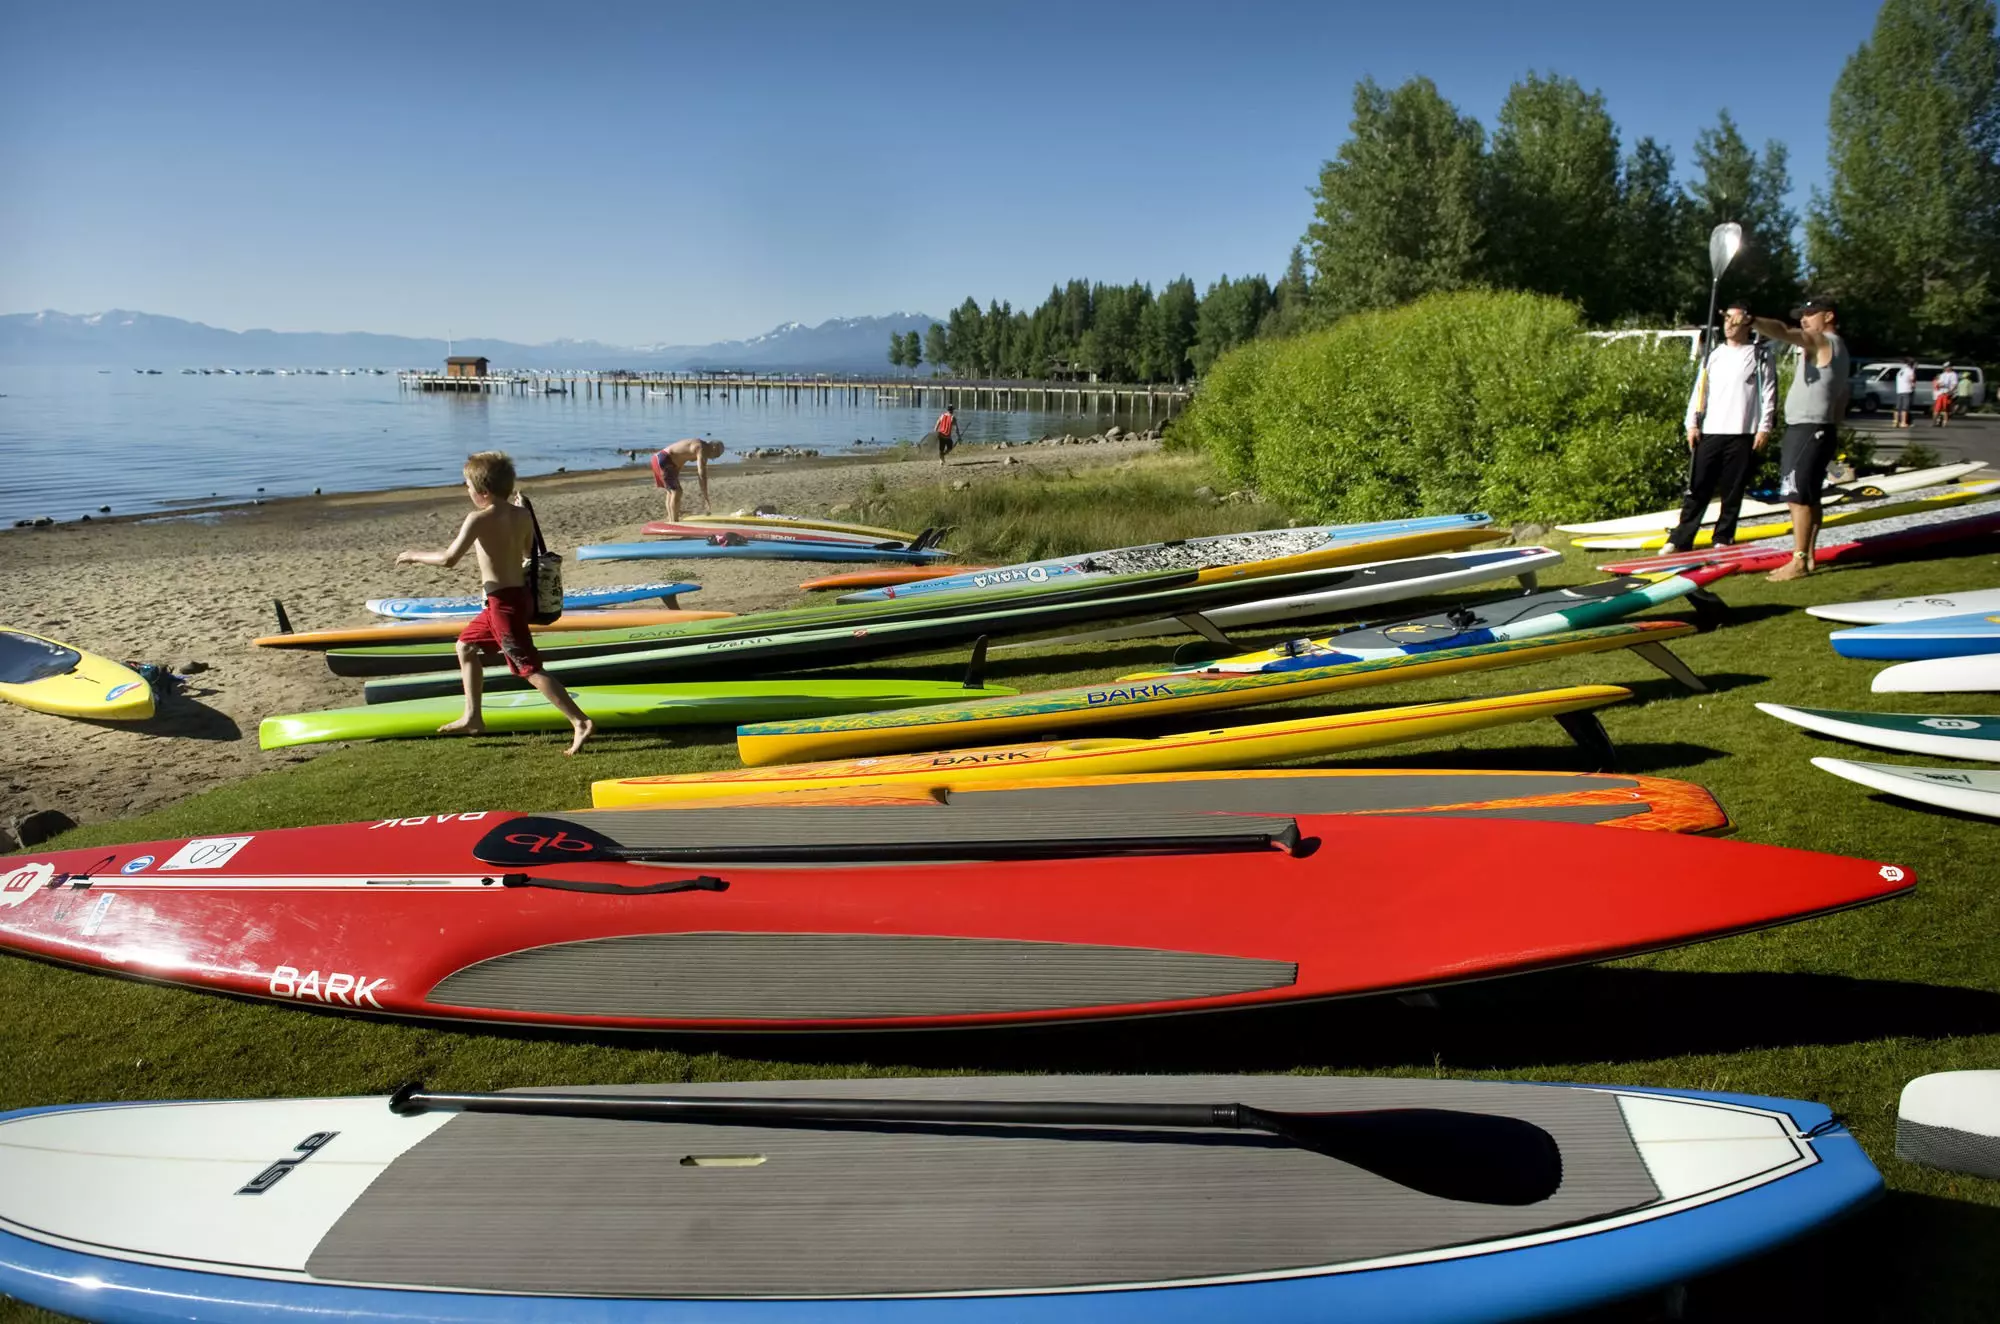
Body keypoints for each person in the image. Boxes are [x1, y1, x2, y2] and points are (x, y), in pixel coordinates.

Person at [396, 451, 593, 755]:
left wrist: (413, 555)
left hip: (504, 606)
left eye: (467, 486)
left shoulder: (478, 519)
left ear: (483, 492)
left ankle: (579, 721)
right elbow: (529, 552)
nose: (467, 491)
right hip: (513, 600)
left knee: (528, 668)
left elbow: (449, 559)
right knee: (465, 646)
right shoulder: (522, 514)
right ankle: (473, 717)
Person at [1750, 298, 1850, 582]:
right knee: (1810, 495)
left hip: (1808, 428)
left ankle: (1798, 561)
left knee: (1797, 498)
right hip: (1819, 428)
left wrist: (1752, 320)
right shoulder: (1839, 346)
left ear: (1829, 316)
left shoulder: (1822, 340)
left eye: (1810, 314)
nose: (1804, 319)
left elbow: (1783, 331)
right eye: (1802, 314)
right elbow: (1843, 394)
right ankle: (1808, 556)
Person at [1668, 300, 1775, 553]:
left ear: (1747, 323)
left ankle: (1723, 537)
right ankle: (1680, 538)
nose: (1729, 324)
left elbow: (1768, 394)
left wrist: (1765, 427)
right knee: (1698, 487)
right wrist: (1691, 423)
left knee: (1732, 491)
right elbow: (1700, 390)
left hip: (1742, 432)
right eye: (1726, 318)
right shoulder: (1714, 355)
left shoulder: (1760, 355)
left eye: (1735, 319)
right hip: (1712, 430)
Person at [651, 437, 724, 521]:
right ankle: (674, 522)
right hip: (663, 459)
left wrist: (705, 495)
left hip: (661, 460)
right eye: (715, 455)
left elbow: (682, 458)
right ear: (713, 448)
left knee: (671, 492)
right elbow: (701, 474)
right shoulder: (701, 447)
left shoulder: (703, 449)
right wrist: (706, 497)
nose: (713, 458)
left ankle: (671, 519)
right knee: (677, 492)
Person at [1895, 358, 1917, 428]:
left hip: (1899, 390)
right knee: (1905, 407)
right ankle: (1903, 422)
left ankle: (1896, 421)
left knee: (1898, 407)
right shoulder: (1910, 370)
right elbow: (1912, 379)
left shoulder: (1901, 370)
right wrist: (1913, 386)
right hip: (1907, 390)